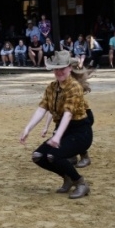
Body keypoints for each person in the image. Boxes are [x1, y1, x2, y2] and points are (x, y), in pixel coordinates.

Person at [19, 51, 93, 199]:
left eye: (62, 68)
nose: (59, 72)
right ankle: (67, 177)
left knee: (54, 155)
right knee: (38, 156)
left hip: (80, 132)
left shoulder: (75, 87)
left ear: (69, 68)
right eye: (56, 68)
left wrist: (57, 136)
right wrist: (28, 128)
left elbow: (68, 113)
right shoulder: (51, 87)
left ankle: (80, 183)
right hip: (63, 130)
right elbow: (42, 108)